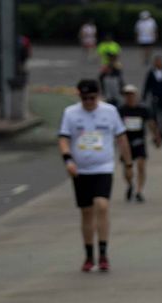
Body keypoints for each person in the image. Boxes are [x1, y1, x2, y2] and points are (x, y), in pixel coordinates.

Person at [58, 79, 133, 272]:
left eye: (92, 98)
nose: (88, 102)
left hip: (103, 167)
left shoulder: (109, 111)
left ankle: (103, 252)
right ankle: (89, 255)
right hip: (81, 170)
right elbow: (64, 139)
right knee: (86, 212)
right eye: (84, 98)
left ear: (98, 95)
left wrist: (128, 163)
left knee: (102, 205)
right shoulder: (71, 113)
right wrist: (68, 160)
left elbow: (121, 138)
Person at [118, 84, 162, 202]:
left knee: (141, 165)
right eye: (127, 95)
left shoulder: (143, 109)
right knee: (128, 168)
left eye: (131, 94)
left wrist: (156, 137)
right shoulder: (121, 110)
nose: (129, 97)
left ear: (135, 95)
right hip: (125, 142)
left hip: (139, 141)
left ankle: (139, 190)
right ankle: (130, 184)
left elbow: (151, 123)